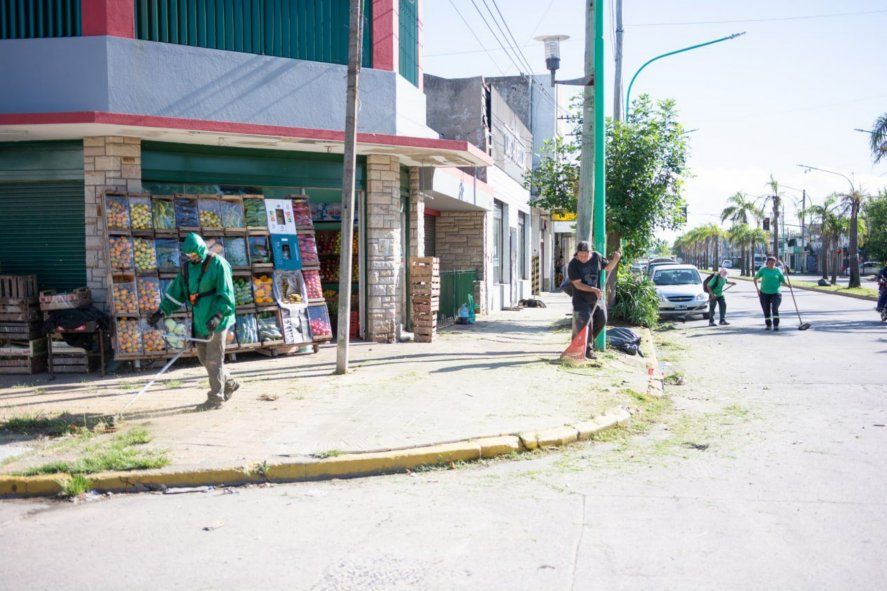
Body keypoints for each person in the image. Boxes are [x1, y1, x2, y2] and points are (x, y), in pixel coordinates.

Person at [150, 233, 239, 410]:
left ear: (201, 250)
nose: (192, 258)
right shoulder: (187, 269)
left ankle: (216, 398)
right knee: (203, 357)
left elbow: (227, 294)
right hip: (200, 317)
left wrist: (218, 315)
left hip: (218, 318)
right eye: (189, 255)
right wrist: (161, 311)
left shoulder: (218, 264)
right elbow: (177, 292)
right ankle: (229, 382)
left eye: (195, 254)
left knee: (214, 359)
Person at [567, 241, 621, 359]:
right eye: (580, 255)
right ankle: (587, 349)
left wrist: (615, 260)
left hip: (596, 297)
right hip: (580, 299)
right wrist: (594, 289)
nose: (582, 258)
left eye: (585, 255)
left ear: (590, 252)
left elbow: (608, 267)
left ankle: (587, 343)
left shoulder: (597, 257)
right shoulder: (573, 265)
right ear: (577, 253)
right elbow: (578, 284)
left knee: (602, 319)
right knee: (587, 322)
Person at [754, 256, 787, 331]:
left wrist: (788, 285)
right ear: (767, 263)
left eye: (773, 263)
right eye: (770, 263)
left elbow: (782, 280)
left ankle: (776, 325)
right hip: (764, 293)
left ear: (775, 263)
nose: (771, 264)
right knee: (766, 309)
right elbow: (755, 279)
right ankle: (768, 324)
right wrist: (757, 289)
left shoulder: (778, 270)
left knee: (775, 308)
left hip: (776, 292)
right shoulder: (763, 270)